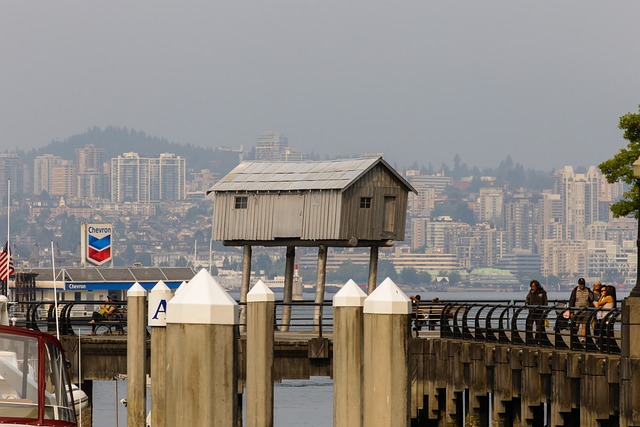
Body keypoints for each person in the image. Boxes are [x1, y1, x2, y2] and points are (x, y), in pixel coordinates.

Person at [568, 278, 594, 342]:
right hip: (577, 310)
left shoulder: (588, 290)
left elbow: (592, 299)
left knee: (584, 325)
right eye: (581, 284)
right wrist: (571, 311)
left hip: (586, 310)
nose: (582, 285)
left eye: (583, 284)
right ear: (578, 284)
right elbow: (571, 301)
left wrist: (590, 308)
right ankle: (574, 337)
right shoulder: (575, 290)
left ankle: (582, 338)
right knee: (576, 325)